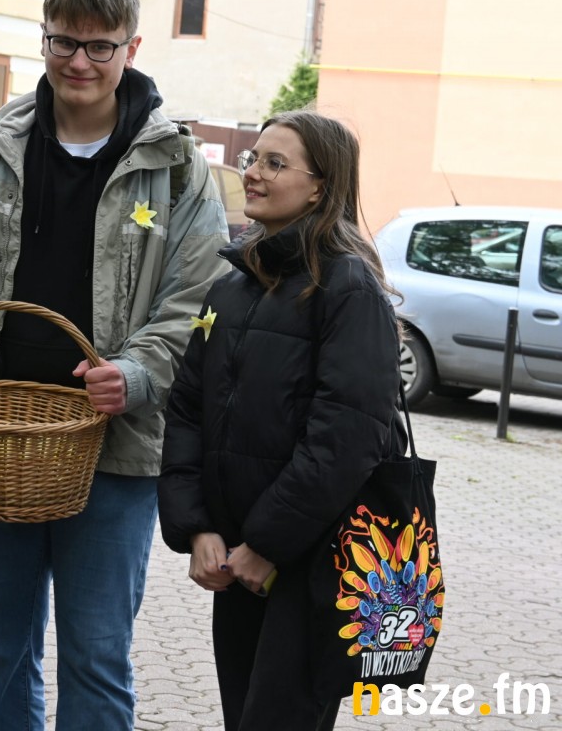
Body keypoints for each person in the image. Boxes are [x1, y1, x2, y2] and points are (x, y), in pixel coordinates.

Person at [0, 0, 230, 731]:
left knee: (97, 656)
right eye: (63, 42)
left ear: (131, 48)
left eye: (99, 46)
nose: (78, 62)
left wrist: (136, 374)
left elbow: (198, 302)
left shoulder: (176, 166)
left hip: (114, 450)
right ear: (43, 38)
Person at [156, 110, 405, 731]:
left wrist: (267, 544)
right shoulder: (233, 286)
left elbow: (348, 437)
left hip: (308, 563)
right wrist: (197, 527)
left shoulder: (348, 288)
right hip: (236, 559)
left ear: (320, 187)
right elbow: (187, 409)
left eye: (275, 163)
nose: (254, 173)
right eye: (254, 159)